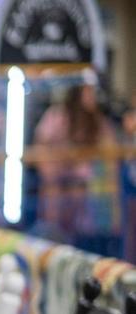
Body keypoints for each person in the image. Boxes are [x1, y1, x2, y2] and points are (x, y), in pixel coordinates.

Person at [34, 80, 119, 250]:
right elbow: (40, 150)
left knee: (85, 242)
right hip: (58, 190)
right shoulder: (57, 116)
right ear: (78, 92)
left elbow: (111, 154)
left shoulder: (98, 122)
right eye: (88, 91)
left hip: (87, 195)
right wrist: (56, 170)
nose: (93, 96)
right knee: (55, 239)